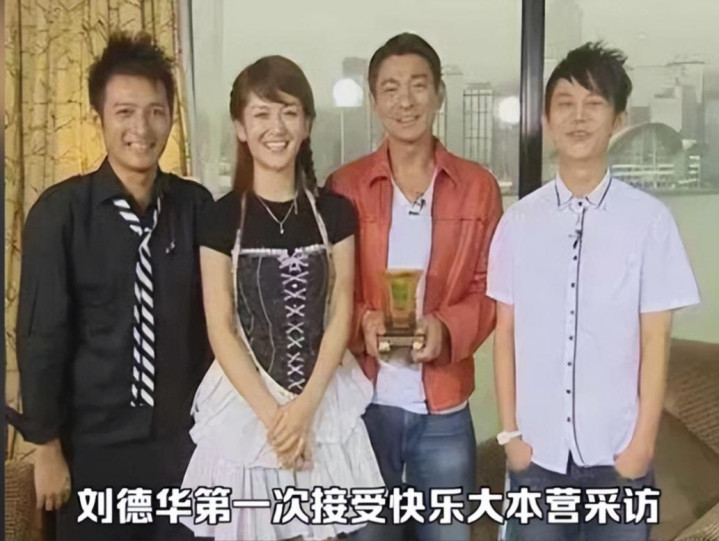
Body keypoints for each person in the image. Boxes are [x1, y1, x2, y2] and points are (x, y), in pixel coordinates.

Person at [488, 42, 701, 541]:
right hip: (537, 458)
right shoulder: (519, 223)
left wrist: (642, 444)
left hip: (618, 457)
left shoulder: (649, 222)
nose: (578, 117)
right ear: (546, 120)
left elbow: (655, 339)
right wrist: (511, 436)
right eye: (565, 103)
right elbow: (505, 334)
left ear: (618, 120)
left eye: (594, 104)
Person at [14, 32, 213, 539]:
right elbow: (41, 339)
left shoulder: (195, 208)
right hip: (92, 452)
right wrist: (46, 449)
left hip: (184, 448)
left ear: (171, 117)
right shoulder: (60, 214)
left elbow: (217, 328)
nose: (141, 129)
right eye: (124, 112)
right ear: (98, 118)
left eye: (155, 112)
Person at [179, 55, 383, 541]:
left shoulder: (335, 212)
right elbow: (220, 327)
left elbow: (340, 310)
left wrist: (305, 409)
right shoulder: (219, 219)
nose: (276, 127)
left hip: (323, 401)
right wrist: (277, 422)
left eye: (289, 112)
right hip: (245, 406)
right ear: (240, 127)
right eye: (261, 114)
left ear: (307, 124)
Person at [328, 33, 502, 541]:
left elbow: (492, 287)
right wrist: (363, 321)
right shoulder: (345, 187)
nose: (405, 101)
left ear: (439, 94)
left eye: (418, 86)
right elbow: (327, 286)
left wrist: (445, 330)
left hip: (443, 408)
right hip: (364, 405)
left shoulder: (477, 187)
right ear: (374, 99)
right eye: (391, 88)